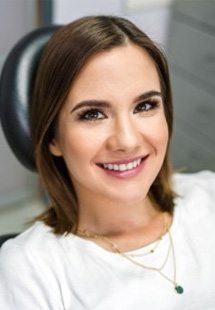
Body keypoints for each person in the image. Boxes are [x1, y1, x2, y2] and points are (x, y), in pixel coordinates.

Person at [0, 15, 215, 310]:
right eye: (92, 114)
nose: (127, 141)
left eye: (145, 105)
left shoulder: (210, 196)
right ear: (53, 138)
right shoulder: (28, 271)